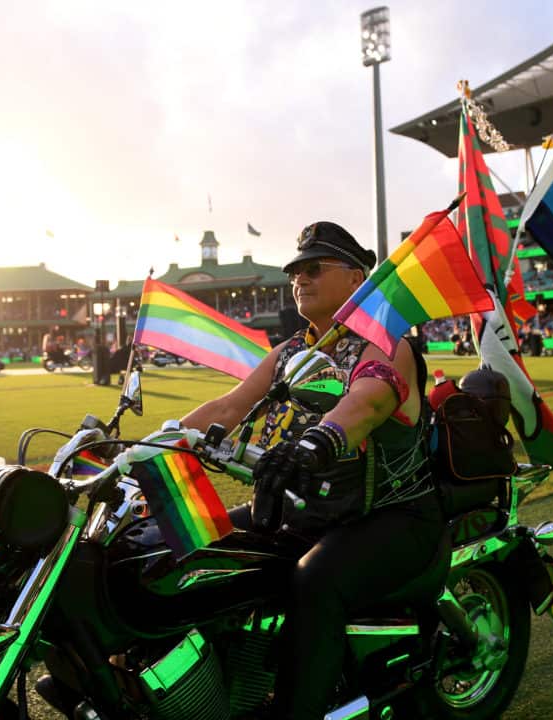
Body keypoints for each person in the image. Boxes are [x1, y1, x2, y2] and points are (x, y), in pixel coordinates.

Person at [179, 221, 444, 719]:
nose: (300, 277)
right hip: (305, 511)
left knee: (314, 580)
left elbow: (367, 401)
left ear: (356, 278)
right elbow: (230, 407)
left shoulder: (386, 343)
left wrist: (314, 441)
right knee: (192, 542)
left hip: (391, 515)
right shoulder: (290, 353)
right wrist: (147, 446)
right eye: (296, 269)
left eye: (314, 267)